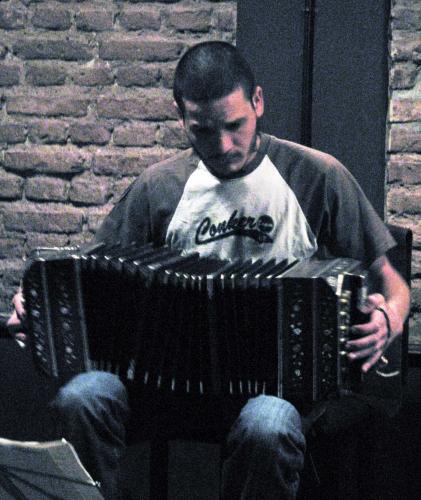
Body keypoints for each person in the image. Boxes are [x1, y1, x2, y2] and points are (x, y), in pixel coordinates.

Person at [6, 41, 410, 499]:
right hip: (164, 385)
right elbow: (84, 277)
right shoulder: (160, 188)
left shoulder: (318, 177)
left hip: (277, 388)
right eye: (202, 131)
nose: (222, 145)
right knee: (84, 397)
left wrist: (386, 320)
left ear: (258, 102)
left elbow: (394, 284)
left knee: (267, 424)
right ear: (182, 119)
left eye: (234, 125)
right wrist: (35, 306)